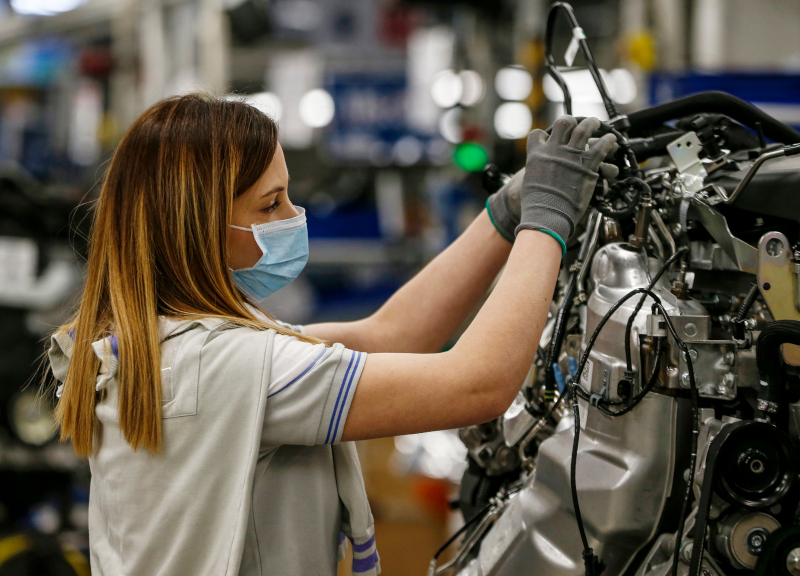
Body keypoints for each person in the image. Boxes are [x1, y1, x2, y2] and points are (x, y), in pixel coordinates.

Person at [46, 93, 618, 576]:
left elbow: (389, 334)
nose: (294, 215)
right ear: (197, 228)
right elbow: (479, 385)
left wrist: (505, 212)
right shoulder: (234, 368)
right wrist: (548, 220)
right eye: (271, 204)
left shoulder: (165, 345)